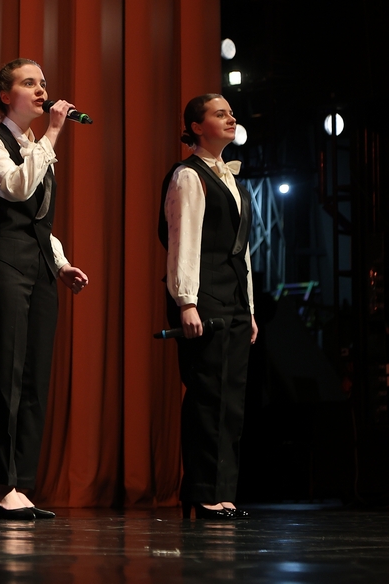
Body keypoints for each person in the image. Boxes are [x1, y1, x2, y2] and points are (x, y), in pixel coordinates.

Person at [0, 58, 90, 520]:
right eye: (29, 83)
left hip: (38, 269)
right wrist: (53, 134)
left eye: (43, 84)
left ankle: (24, 484)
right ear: (5, 96)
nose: (42, 91)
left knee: (35, 379)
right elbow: (16, 189)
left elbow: (40, 222)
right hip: (3, 266)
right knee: (7, 373)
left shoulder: (37, 148)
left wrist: (60, 264)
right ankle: (2, 484)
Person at [159, 93, 257, 520]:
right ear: (197, 127)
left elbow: (242, 251)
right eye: (220, 114)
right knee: (208, 396)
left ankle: (222, 491)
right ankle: (202, 492)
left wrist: (249, 309)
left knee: (231, 400)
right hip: (203, 299)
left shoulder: (233, 179)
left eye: (231, 113)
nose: (231, 118)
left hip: (233, 299)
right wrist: (186, 302)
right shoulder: (188, 175)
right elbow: (183, 241)